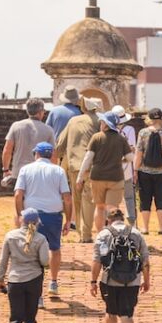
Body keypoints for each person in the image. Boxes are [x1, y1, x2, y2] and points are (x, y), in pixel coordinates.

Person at [90, 208, 150, 323]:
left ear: (108, 220)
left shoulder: (103, 235)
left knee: (111, 312)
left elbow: (97, 261)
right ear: (123, 219)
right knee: (127, 315)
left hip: (109, 281)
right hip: (131, 281)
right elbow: (145, 260)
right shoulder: (136, 233)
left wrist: (93, 281)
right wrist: (147, 280)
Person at [14, 142, 72, 299]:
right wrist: (68, 219)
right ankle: (53, 281)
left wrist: (19, 214)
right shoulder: (58, 171)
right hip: (53, 215)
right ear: (51, 155)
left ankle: (35, 289)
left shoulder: (26, 169)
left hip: (31, 216)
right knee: (54, 248)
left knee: (32, 251)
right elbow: (67, 197)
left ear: (36, 154)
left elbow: (18, 194)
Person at [0, 208, 51, 323]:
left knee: (15, 317)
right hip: (33, 280)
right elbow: (45, 261)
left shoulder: (10, 236)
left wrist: (0, 279)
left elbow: (3, 260)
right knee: (29, 317)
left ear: (22, 221)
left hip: (15, 280)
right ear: (36, 223)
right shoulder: (40, 238)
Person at [76, 111, 133, 236]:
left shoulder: (97, 137)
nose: (100, 123)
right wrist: (121, 160)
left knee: (100, 207)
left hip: (97, 177)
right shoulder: (121, 139)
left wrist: (80, 177)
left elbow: (88, 158)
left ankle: (100, 235)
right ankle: (114, 234)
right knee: (112, 207)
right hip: (116, 177)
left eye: (102, 121)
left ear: (106, 124)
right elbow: (130, 158)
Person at [54, 97, 101, 242]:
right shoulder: (100, 121)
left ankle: (81, 232)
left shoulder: (73, 121)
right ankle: (86, 234)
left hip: (75, 165)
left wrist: (59, 159)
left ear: (83, 107)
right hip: (94, 165)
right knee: (90, 199)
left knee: (77, 198)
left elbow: (60, 144)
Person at [2, 98, 55, 194]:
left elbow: (7, 150)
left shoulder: (16, 126)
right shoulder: (48, 130)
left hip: (18, 171)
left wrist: (5, 169)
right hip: (40, 173)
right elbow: (53, 155)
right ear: (40, 112)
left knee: (19, 198)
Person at [135, 108, 162, 234]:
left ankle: (145, 228)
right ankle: (161, 227)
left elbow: (139, 152)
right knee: (160, 198)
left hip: (144, 171)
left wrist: (135, 170)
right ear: (161, 119)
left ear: (149, 119)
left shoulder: (143, 133)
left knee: (145, 199)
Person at [112, 105, 139, 225]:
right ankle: (132, 222)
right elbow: (133, 148)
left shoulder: (109, 131)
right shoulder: (130, 129)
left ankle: (114, 221)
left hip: (112, 167)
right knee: (129, 197)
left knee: (113, 197)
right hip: (127, 166)